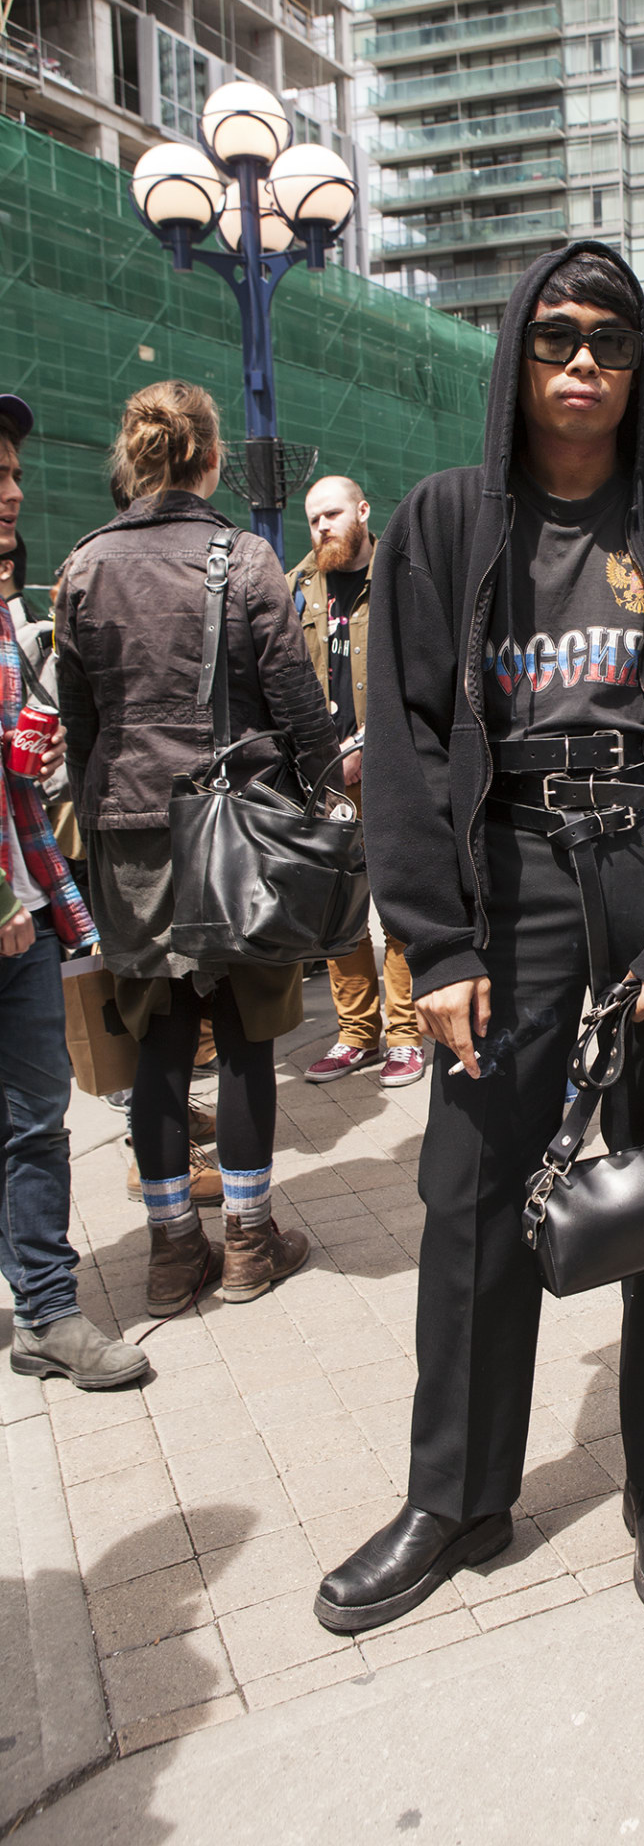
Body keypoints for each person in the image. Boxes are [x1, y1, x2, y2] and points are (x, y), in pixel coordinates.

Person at [313, 243, 644, 1637]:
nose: (583, 363)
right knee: (468, 1199)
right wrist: (434, 948)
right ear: (516, 353)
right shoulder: (444, 524)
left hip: (640, 870)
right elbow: (406, 742)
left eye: (612, 342)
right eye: (557, 337)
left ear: (640, 370)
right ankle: (458, 1497)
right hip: (499, 884)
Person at [54, 382, 340, 1319]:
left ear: (133, 460)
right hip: (239, 830)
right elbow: (297, 702)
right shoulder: (246, 559)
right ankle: (252, 1242)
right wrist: (322, 795)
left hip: (129, 836)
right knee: (254, 1035)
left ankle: (173, 1256)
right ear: (211, 459)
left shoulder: (83, 568)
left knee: (161, 1043)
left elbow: (84, 725)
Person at [0, 392, 149, 1389]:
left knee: (33, 1119)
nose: (14, 491)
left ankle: (46, 1311)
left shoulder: (8, 604)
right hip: (9, 913)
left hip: (31, 904)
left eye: (13, 471)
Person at [286, 476, 424, 1090]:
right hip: (323, 779)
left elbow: (423, 668)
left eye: (333, 514)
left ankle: (405, 1035)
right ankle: (355, 1036)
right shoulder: (296, 588)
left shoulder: (399, 576)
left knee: (398, 904)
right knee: (339, 911)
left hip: (391, 766)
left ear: (364, 511)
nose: (321, 528)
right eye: (313, 519)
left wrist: (370, 743)